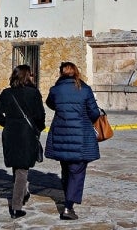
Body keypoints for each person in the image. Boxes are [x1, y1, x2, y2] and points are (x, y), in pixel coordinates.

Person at [44, 61, 101, 220]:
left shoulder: (55, 90)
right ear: (76, 72)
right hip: (80, 136)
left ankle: (67, 198)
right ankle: (68, 207)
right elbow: (94, 113)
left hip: (61, 134)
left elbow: (50, 104)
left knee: (66, 168)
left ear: (61, 73)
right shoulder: (85, 89)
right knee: (77, 171)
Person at [0, 64, 45, 219]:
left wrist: (7, 123)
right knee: (22, 169)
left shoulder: (6, 93)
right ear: (27, 76)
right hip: (26, 134)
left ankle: (23, 192)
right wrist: (37, 129)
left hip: (10, 133)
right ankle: (16, 207)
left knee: (17, 165)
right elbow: (40, 116)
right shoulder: (34, 93)